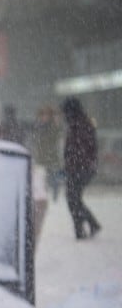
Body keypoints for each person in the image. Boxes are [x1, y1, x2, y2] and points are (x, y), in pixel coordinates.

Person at [61, 97, 102, 240]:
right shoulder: (78, 123)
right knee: (73, 198)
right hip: (80, 168)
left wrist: (73, 163)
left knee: (72, 198)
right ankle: (87, 226)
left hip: (81, 168)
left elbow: (81, 148)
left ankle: (83, 228)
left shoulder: (81, 125)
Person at [31, 104, 64, 203]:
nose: (44, 117)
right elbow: (35, 140)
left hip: (52, 157)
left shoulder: (54, 126)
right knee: (42, 180)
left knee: (54, 179)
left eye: (47, 115)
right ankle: (45, 196)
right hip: (41, 158)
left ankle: (55, 198)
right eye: (43, 115)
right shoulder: (38, 127)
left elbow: (57, 135)